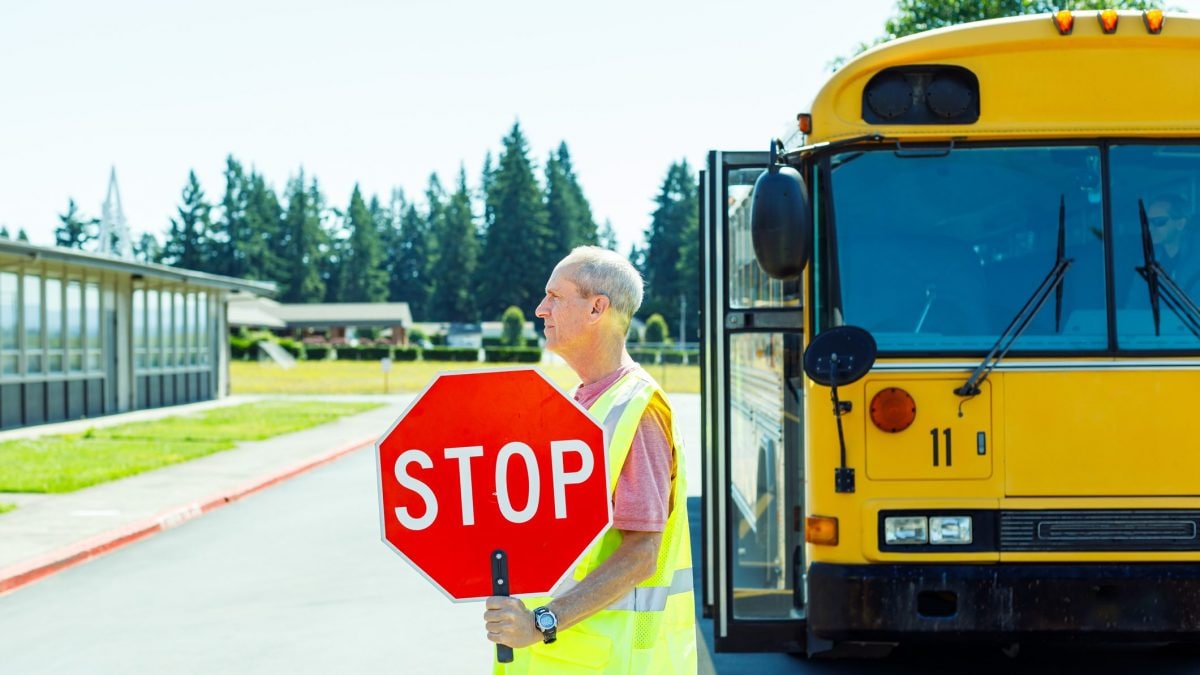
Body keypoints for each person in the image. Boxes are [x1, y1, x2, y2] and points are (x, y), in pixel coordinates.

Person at [483, 246, 696, 674]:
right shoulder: (580, 405)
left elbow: (641, 554)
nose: (541, 309)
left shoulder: (637, 409)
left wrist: (542, 623)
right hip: (562, 657)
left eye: (555, 297)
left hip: (611, 661)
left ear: (598, 307)